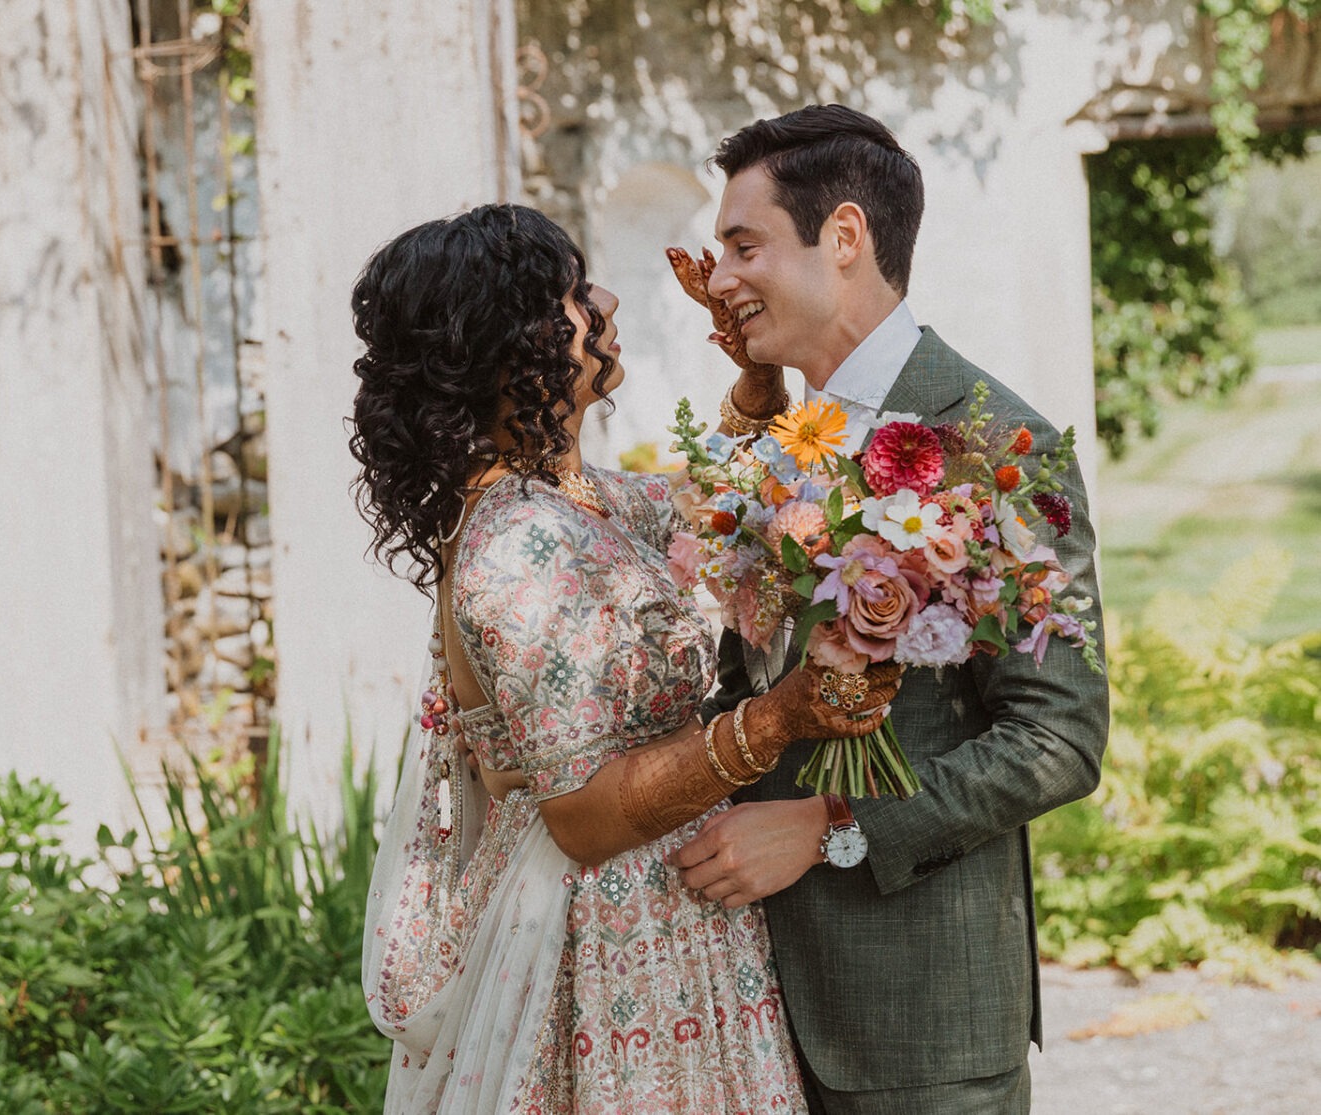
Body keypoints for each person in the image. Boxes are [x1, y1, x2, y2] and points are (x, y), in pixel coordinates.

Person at [350, 203, 900, 1113]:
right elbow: (581, 816)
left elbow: (725, 504)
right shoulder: (521, 542)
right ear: (507, 345)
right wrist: (779, 717)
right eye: (571, 294)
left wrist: (758, 373)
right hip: (608, 940)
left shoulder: (568, 499)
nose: (603, 301)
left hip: (664, 910)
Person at [669, 105, 1111, 1113]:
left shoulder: (1001, 447)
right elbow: (748, 674)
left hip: (921, 1029)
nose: (720, 278)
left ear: (844, 237)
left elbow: (1060, 736)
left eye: (744, 246)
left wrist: (830, 825)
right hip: (745, 1007)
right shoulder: (781, 442)